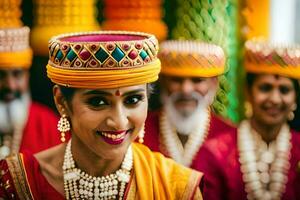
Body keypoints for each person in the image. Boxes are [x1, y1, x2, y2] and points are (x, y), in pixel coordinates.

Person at [0, 31, 203, 199]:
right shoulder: (18, 182)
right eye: (98, 102)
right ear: (62, 102)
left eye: (132, 100)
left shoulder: (177, 188)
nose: (119, 121)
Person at [197, 39, 300, 200]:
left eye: (284, 90)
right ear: (248, 92)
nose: (274, 99)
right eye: (265, 88)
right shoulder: (216, 152)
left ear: (295, 97)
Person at [143, 40, 235, 167]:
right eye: (176, 80)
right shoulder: (141, 132)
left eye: (197, 80)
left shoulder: (230, 138)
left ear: (214, 84)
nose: (186, 89)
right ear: (163, 81)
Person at [0, 26, 61, 158]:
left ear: (27, 76)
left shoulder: (48, 123)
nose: (10, 86)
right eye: (1, 75)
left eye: (17, 74)